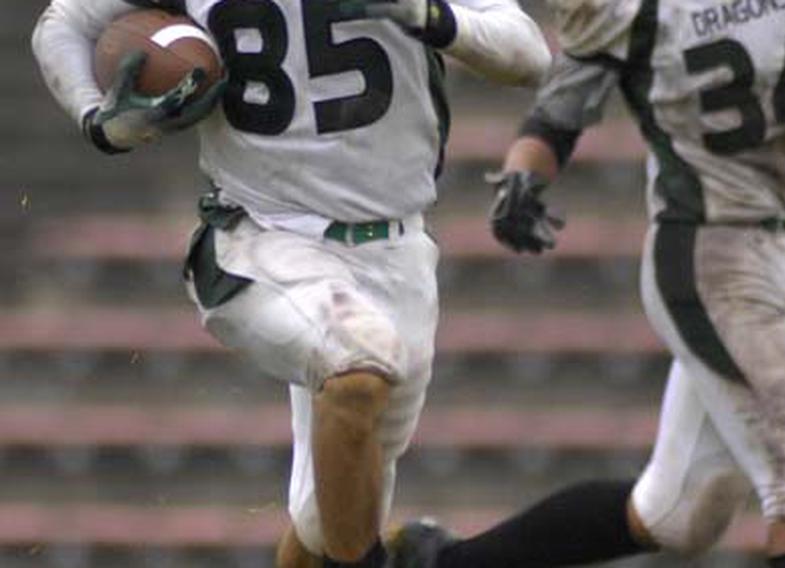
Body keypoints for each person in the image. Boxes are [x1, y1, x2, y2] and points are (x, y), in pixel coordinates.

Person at [31, 0, 550, 566]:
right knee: (358, 367)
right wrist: (99, 119)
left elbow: (528, 55)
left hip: (398, 250)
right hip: (261, 236)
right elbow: (65, 22)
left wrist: (427, 15)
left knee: (325, 522)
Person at [388, 0, 785, 567]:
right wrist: (522, 177)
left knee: (676, 513)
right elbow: (560, 112)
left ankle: (442, 564)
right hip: (712, 257)